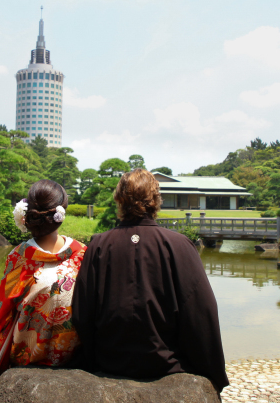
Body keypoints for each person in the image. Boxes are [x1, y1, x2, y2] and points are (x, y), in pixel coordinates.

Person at [71, 168, 229, 394]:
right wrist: (212, 371)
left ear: (119, 200)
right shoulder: (179, 245)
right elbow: (201, 311)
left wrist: (91, 357)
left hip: (109, 360)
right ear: (156, 200)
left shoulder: (98, 245)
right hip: (167, 362)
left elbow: (82, 311)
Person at [0, 179, 87, 388]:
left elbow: (3, 311)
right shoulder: (82, 254)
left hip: (27, 358)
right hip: (75, 358)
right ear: (61, 214)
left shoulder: (19, 258)